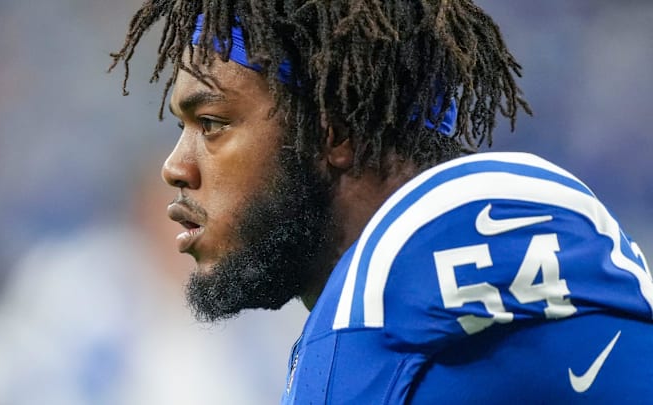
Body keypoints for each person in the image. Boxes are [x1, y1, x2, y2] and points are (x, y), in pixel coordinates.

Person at [108, 0, 653, 402]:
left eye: (211, 123)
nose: (175, 167)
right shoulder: (578, 228)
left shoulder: (375, 308)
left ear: (333, 133)